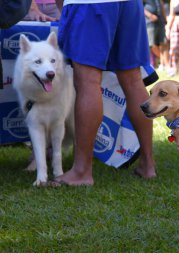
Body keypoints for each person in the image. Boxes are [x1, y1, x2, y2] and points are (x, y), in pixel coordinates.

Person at [52, 0, 157, 186]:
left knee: (87, 82)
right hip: (130, 4)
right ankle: (148, 165)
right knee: (133, 80)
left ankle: (82, 171)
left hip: (89, 4)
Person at [144, 0, 167, 68]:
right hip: (149, 22)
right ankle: (152, 64)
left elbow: (161, 5)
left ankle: (163, 64)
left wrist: (165, 19)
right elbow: (140, 7)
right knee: (151, 45)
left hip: (160, 21)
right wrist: (150, 15)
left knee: (163, 43)